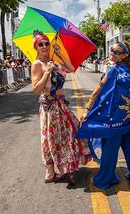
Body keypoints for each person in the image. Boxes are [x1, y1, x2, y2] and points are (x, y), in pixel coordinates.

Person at [77, 41, 130, 190]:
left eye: (116, 52)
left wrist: (87, 110)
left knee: (110, 151)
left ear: (124, 55)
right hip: (128, 119)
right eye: (112, 50)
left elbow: (97, 92)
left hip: (113, 121)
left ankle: (106, 178)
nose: (112, 53)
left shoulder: (113, 71)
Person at [30, 30, 90, 185]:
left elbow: (70, 69)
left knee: (72, 131)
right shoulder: (37, 64)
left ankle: (60, 169)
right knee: (52, 138)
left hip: (61, 104)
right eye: (40, 44)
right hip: (49, 107)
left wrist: (59, 54)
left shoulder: (53, 62)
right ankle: (53, 172)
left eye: (46, 43)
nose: (44, 46)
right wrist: (47, 72)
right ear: (36, 47)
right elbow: (36, 90)